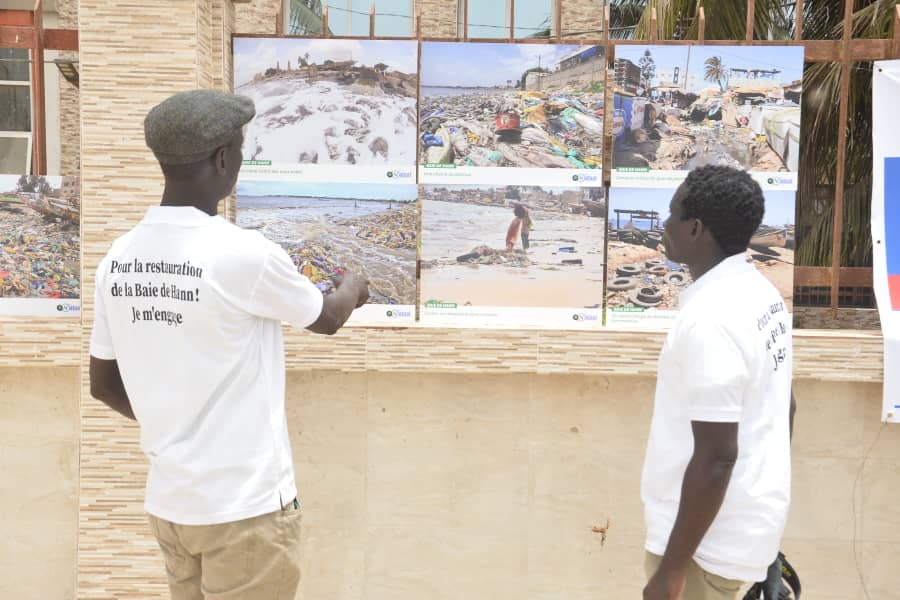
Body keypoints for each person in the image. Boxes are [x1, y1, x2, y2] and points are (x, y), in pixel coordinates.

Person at [88, 89, 369, 600]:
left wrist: (172, 424)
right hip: (244, 509)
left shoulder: (119, 257)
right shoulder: (243, 253)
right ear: (223, 158)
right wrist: (354, 285)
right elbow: (326, 317)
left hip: (172, 505)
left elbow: (103, 386)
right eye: (240, 150)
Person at [642, 165, 795, 600]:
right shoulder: (760, 292)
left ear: (694, 228)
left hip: (702, 549)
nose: (665, 223)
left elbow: (717, 457)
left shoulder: (711, 320)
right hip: (742, 528)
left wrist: (671, 572)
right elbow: (785, 406)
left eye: (672, 214)